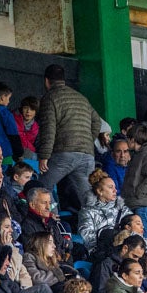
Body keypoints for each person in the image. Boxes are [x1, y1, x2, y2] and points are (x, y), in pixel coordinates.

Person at [36, 64, 103, 210]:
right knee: (88, 199)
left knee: (42, 187)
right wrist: (87, 141)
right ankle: (97, 229)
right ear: (63, 80)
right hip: (87, 155)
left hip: (64, 153)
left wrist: (44, 155)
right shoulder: (82, 98)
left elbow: (49, 128)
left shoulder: (50, 98)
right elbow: (97, 121)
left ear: (47, 81)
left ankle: (52, 222)